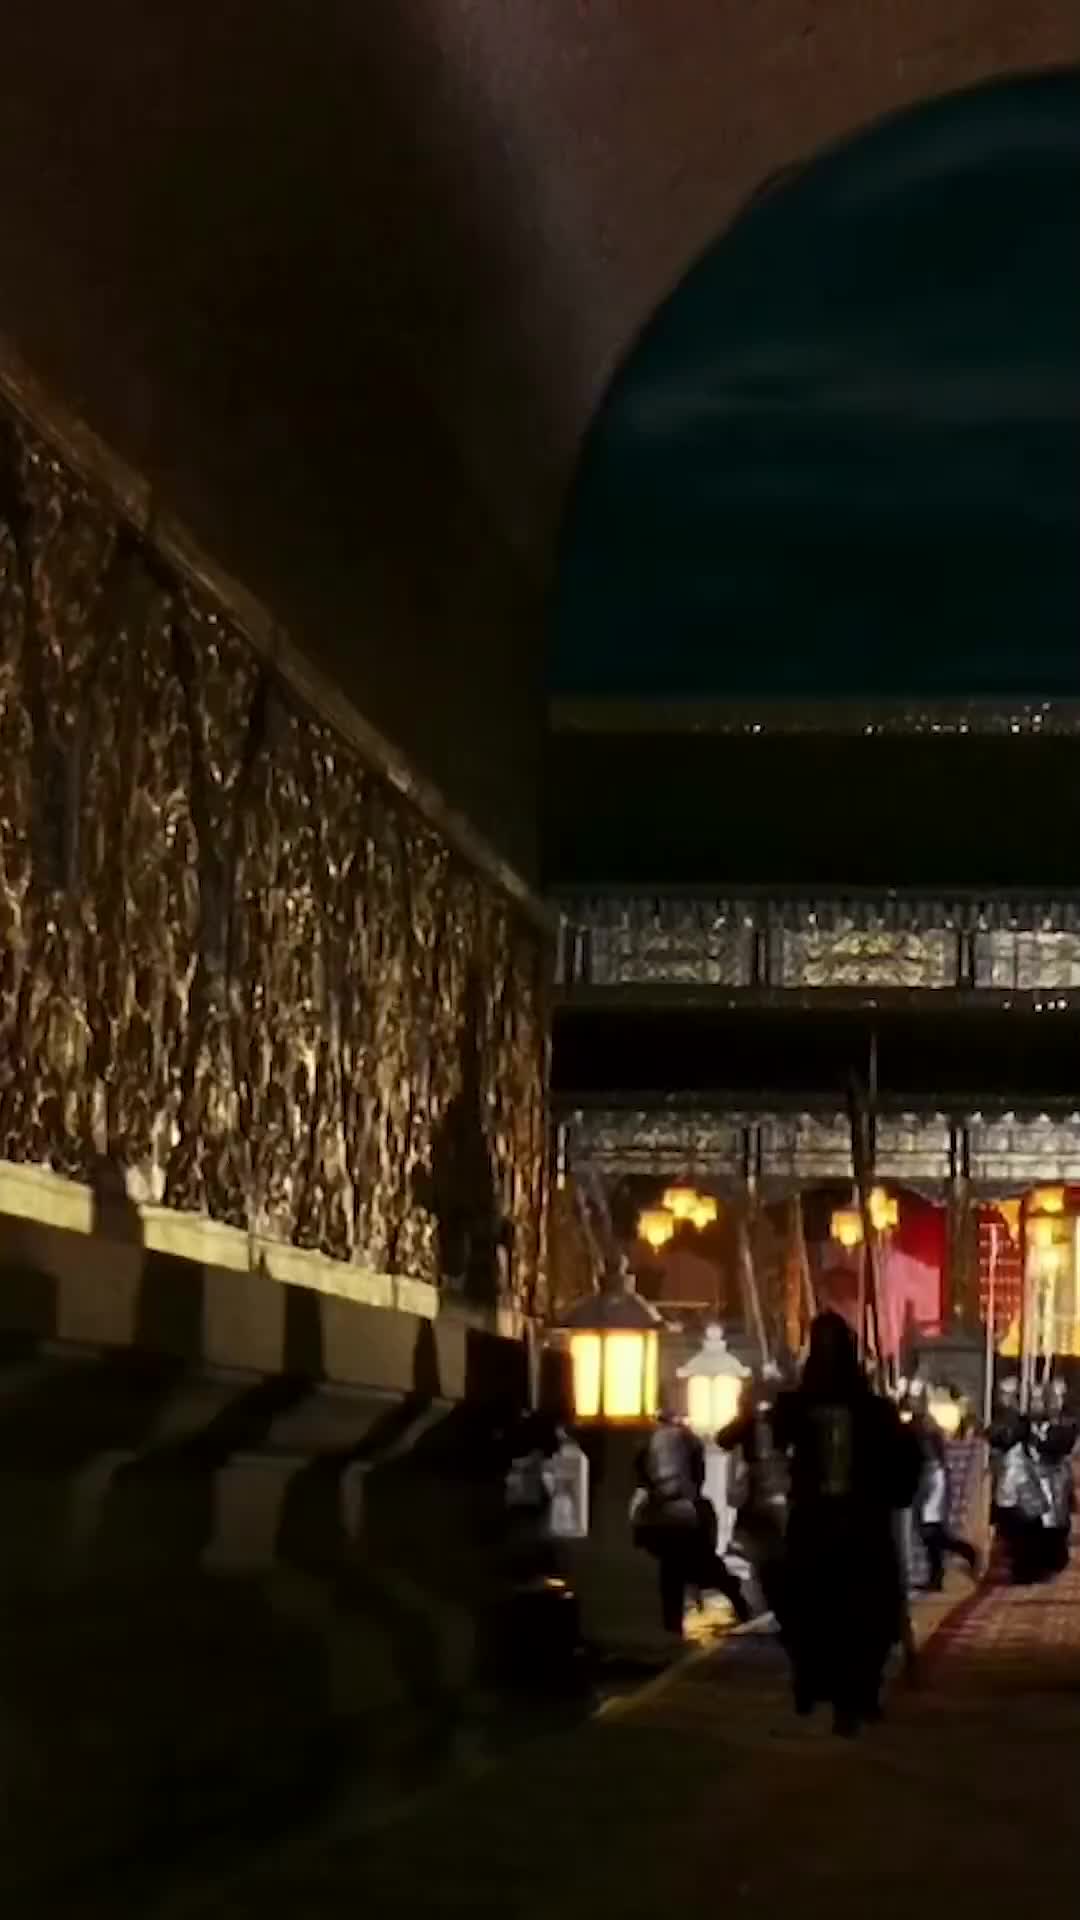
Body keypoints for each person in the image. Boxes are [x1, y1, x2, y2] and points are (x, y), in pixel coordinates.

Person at [770, 1311, 921, 1737]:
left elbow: (901, 1464)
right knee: (823, 1611)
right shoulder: (801, 1407)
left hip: (852, 1524)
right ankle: (836, 1689)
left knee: (853, 1612)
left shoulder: (868, 1411)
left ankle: (851, 1693)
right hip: (829, 1523)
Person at [633, 1409, 750, 1638]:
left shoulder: (649, 1440)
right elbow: (698, 1473)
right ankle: (737, 1600)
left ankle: (672, 1623)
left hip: (663, 1513)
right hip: (686, 1511)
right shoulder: (689, 1439)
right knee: (701, 1563)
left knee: (673, 1571)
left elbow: (642, 1474)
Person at [716, 1374, 789, 1627]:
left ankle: (773, 1602)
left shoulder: (751, 1422)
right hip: (776, 1492)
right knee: (768, 1550)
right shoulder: (778, 1419)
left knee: (764, 1550)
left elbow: (723, 1438)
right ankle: (775, 1602)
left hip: (761, 1495)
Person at [909, 1400, 979, 1591]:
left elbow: (927, 1456)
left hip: (931, 1478)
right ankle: (937, 1575)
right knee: (930, 1532)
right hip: (929, 1477)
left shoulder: (925, 1431)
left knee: (931, 1531)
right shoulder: (923, 1430)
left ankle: (965, 1551)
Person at [1031, 1379, 1078, 1577]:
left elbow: (1064, 1444)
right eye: (1053, 1397)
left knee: (1057, 1517)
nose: (1056, 1401)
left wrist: (1042, 1440)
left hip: (1057, 1471)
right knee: (1043, 1518)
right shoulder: (1036, 1421)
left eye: (1059, 1397)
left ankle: (1056, 1558)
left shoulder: (1068, 1422)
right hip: (1040, 1472)